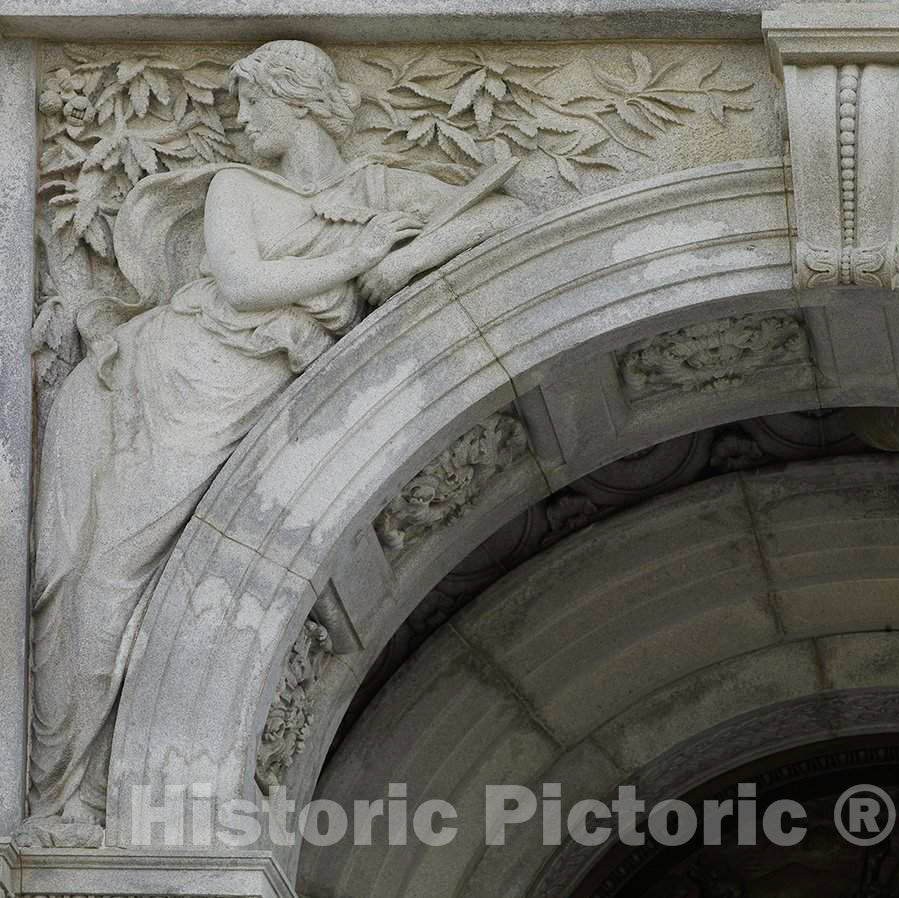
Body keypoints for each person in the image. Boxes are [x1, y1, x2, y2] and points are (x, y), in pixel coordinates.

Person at [21, 39, 526, 843]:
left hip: (247, 386)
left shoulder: (380, 186)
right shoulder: (235, 185)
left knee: (113, 573)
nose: (241, 117)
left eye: (255, 100)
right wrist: (359, 257)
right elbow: (242, 282)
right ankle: (67, 793)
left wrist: (414, 257)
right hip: (176, 376)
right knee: (99, 573)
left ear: (301, 102)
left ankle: (74, 789)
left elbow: (508, 210)